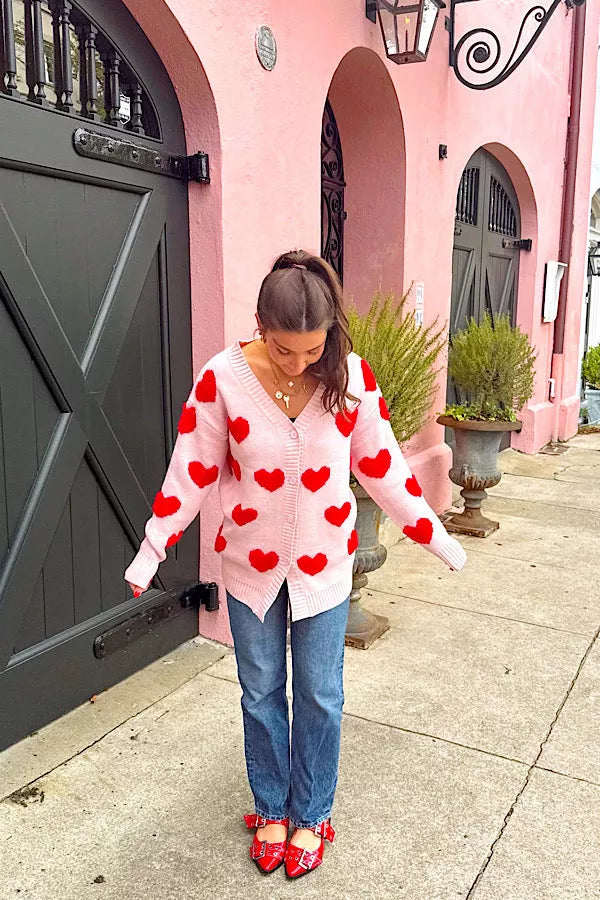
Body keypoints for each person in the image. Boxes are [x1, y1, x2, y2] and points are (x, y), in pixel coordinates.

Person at [124, 249, 467, 880]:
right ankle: (272, 809)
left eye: (313, 350)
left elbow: (383, 468)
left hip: (326, 569)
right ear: (259, 323)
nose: (300, 363)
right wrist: (154, 547)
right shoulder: (222, 379)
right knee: (260, 694)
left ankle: (312, 813)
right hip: (249, 569)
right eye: (285, 350)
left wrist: (434, 536)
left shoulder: (351, 380)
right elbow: (191, 471)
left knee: (320, 694)